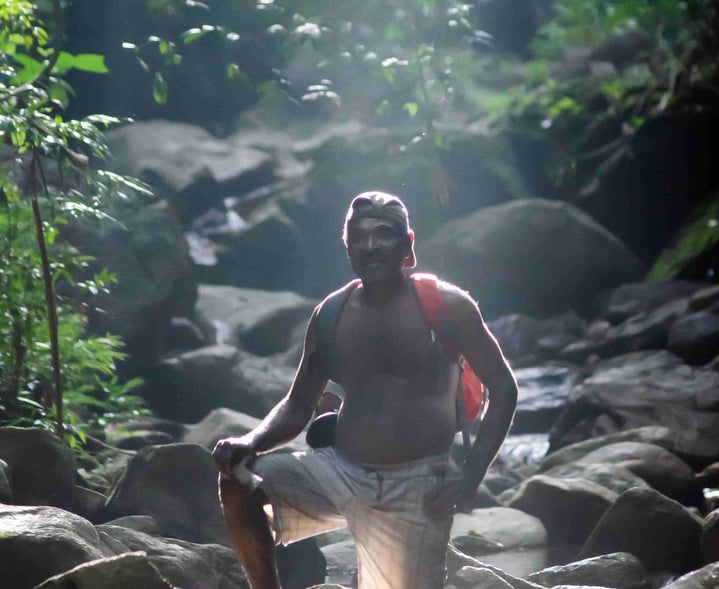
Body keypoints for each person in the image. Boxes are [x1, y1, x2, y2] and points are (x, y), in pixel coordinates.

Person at [213, 191, 518, 589]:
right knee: (239, 479)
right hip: (340, 473)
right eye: (358, 236)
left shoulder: (447, 306)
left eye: (383, 234)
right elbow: (299, 403)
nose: (370, 245)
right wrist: (250, 441)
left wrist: (471, 475)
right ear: (347, 246)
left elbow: (504, 388)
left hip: (417, 488)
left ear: (407, 245)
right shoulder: (331, 313)